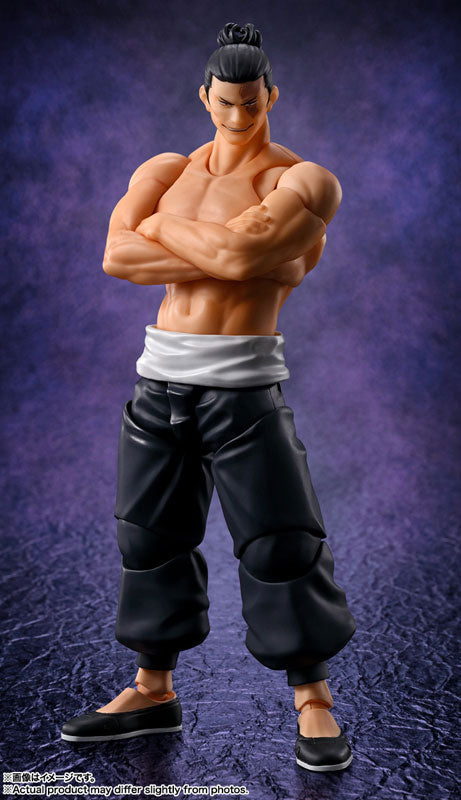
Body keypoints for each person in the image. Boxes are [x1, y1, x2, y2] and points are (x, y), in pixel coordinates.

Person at [61, 22, 356, 772]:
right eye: (225, 102)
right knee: (148, 540)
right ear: (204, 97)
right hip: (159, 378)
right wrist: (220, 249)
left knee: (280, 543)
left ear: (271, 96)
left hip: (243, 386)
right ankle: (151, 689)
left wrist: (166, 229)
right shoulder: (164, 168)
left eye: (250, 102)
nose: (237, 116)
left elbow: (239, 253)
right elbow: (116, 254)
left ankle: (313, 700)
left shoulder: (301, 181)